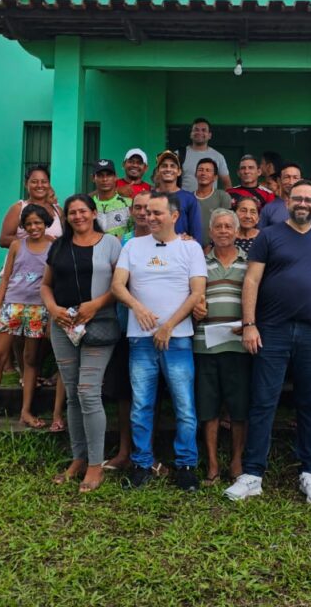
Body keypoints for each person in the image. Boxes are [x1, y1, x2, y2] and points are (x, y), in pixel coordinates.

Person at [224, 180, 311, 504]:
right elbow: (252, 280)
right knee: (263, 402)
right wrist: (249, 324)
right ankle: (253, 474)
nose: (302, 203)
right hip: (271, 331)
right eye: (297, 197)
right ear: (287, 201)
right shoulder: (268, 236)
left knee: (308, 403)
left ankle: (309, 473)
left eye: (309, 200)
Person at [112, 191, 207, 491]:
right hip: (140, 341)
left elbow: (196, 293)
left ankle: (186, 465)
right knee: (141, 405)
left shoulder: (191, 249)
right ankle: (142, 464)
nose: (149, 217)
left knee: (184, 405)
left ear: (174, 216)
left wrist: (168, 327)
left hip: (177, 340)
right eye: (146, 212)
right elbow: (117, 286)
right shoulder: (132, 246)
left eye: (157, 213)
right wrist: (138, 308)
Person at [41, 194, 122, 493]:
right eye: (72, 212)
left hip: (99, 325)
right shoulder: (58, 247)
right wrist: (52, 309)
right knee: (73, 396)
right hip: (63, 327)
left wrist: (95, 305)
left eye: (83, 211)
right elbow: (46, 285)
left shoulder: (111, 244)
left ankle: (95, 464)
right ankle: (78, 457)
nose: (78, 217)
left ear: (93, 212)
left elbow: (119, 285)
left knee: (88, 393)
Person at [0, 204, 54, 432]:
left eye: (37, 223)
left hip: (38, 307)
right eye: (28, 224)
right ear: (23, 227)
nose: (33, 227)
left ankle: (26, 411)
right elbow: (5, 279)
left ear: (46, 223)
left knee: (31, 359)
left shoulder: (54, 246)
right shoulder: (17, 245)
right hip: (12, 306)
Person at [192, 208, 251, 485]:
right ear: (211, 232)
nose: (224, 231)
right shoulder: (199, 263)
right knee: (208, 407)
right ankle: (213, 464)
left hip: (239, 345)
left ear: (237, 232)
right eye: (219, 227)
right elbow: (189, 295)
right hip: (205, 344)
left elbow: (257, 298)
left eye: (229, 226)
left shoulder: (249, 263)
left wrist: (250, 321)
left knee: (239, 407)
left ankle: (236, 461)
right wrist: (195, 309)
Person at [101, 190, 154, 472]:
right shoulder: (122, 243)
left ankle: (150, 452)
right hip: (127, 327)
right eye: (138, 207)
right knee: (125, 393)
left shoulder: (173, 241)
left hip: (159, 329)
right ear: (131, 212)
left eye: (149, 207)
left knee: (153, 393)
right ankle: (124, 451)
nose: (144, 212)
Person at [0, 164, 63, 247]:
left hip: (51, 260)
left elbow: (66, 238)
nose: (39, 185)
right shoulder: (18, 208)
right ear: (26, 184)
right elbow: (4, 240)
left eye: (44, 182)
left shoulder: (57, 210)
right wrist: (37, 241)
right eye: (34, 182)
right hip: (24, 259)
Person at [153, 149, 203, 243]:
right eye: (164, 166)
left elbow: (196, 235)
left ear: (179, 172)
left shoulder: (189, 199)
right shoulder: (149, 197)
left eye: (172, 166)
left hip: (180, 251)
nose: (168, 169)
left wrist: (192, 241)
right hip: (153, 250)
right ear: (158, 171)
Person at [180, 117, 232, 193]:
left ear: (209, 135)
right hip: (184, 203)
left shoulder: (218, 157)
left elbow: (227, 183)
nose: (200, 133)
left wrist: (226, 202)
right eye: (196, 130)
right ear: (191, 133)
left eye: (204, 130)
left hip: (209, 203)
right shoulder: (179, 154)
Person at [193, 157, 232, 248]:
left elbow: (226, 225)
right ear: (195, 174)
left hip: (216, 250)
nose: (203, 173)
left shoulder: (222, 196)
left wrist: (211, 246)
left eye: (208, 170)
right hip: (191, 249)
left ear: (215, 177)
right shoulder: (189, 198)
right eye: (200, 170)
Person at [91, 159, 133, 238]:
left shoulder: (129, 203)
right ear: (93, 178)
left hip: (122, 249)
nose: (105, 179)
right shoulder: (88, 204)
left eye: (109, 175)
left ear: (115, 177)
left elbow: (136, 232)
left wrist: (121, 240)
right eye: (100, 175)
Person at [257, 162, 302, 229]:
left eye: (295, 178)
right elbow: (261, 236)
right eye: (287, 177)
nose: (291, 182)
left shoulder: (310, 206)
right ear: (279, 180)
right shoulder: (268, 208)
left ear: (301, 181)